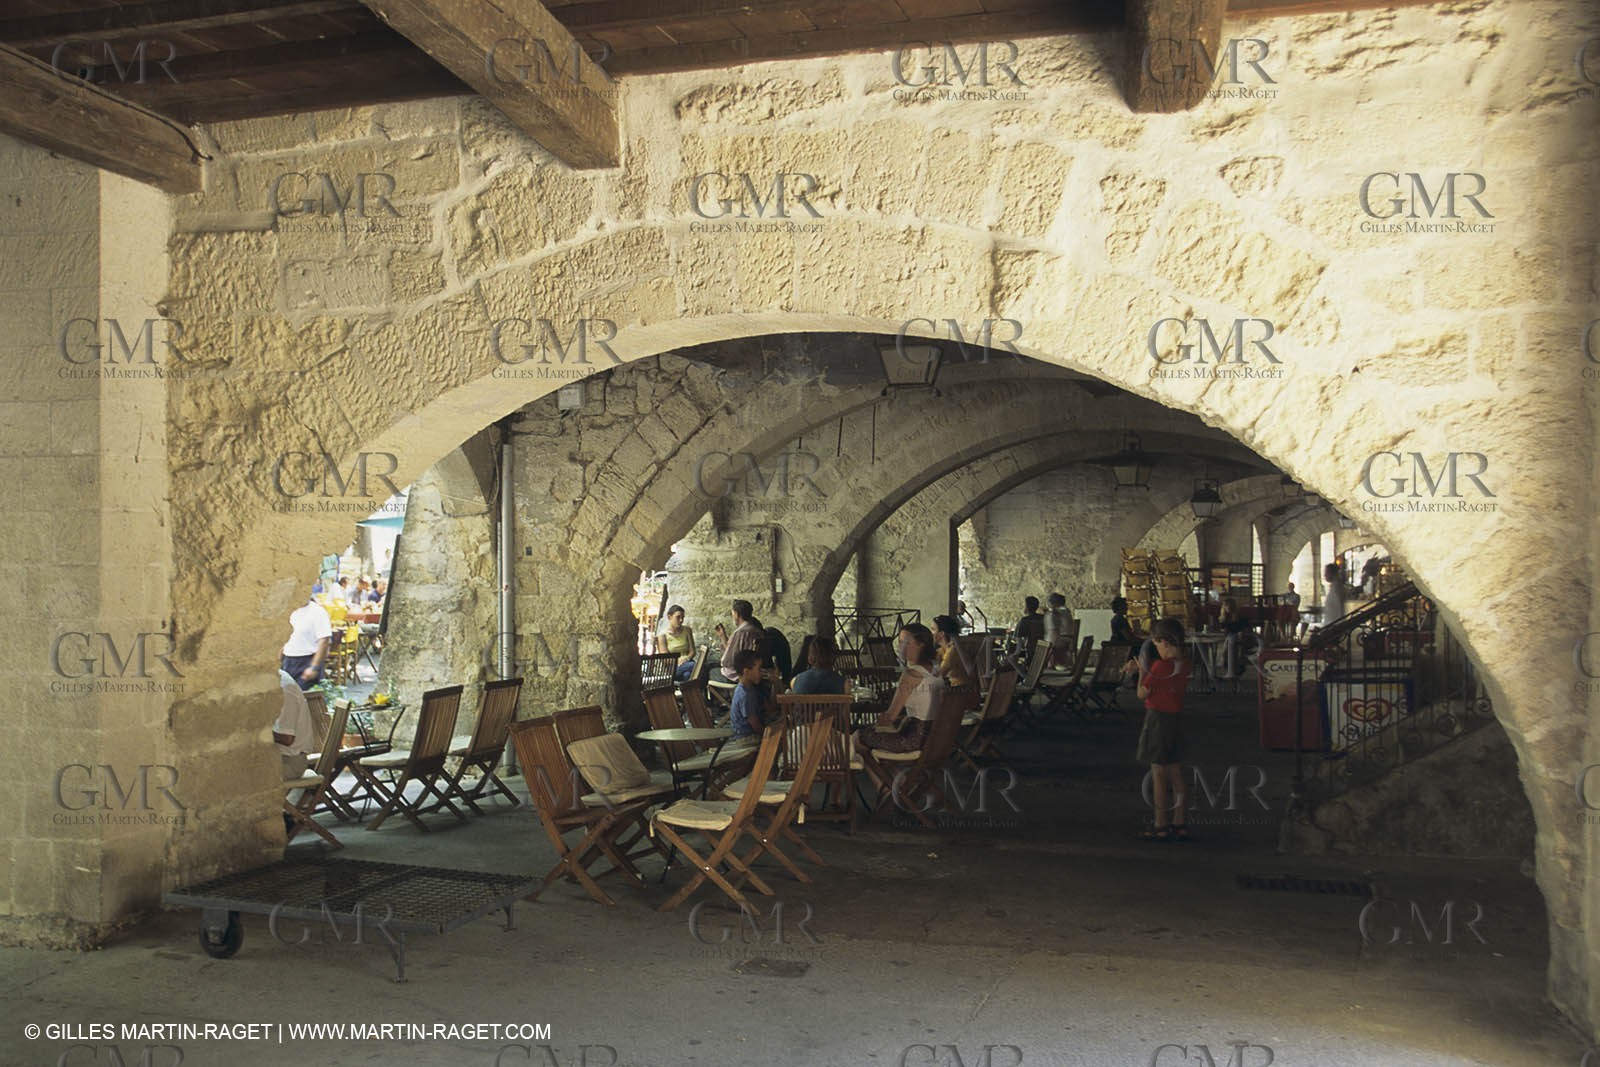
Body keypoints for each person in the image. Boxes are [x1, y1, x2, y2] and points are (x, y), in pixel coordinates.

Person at [1134, 617, 1193, 843]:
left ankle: (1161, 823)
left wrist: (1140, 671)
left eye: (1157, 644)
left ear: (1165, 642)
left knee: (1158, 774)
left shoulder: (1160, 666)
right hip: (1176, 720)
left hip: (1158, 720)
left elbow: (1142, 693)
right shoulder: (1184, 663)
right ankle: (1180, 822)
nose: (1157, 648)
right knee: (1176, 773)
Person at [856, 623, 943, 754]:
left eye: (906, 643)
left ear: (921, 644)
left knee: (859, 736)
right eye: (900, 642)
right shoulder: (937, 669)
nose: (900, 647)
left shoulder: (911, 674)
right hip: (934, 739)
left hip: (912, 740)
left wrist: (877, 722)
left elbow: (890, 716)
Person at [275, 668, 321, 780]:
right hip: (277, 757)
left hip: (289, 762)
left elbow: (287, 738)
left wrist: (255, 734)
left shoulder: (284, 688)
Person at [280, 592, 332, 690]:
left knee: (305, 699)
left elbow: (324, 641)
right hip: (288, 660)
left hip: (307, 661)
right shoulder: (288, 610)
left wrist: (314, 667)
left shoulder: (318, 612)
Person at [715, 599, 765, 681]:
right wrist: (723, 636)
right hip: (751, 670)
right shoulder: (755, 630)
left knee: (709, 669)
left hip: (737, 674)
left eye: (733, 614)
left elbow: (727, 661)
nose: (733, 616)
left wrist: (722, 661)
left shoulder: (740, 633)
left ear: (737, 614)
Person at [727, 649, 768, 741]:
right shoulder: (744, 695)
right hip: (746, 738)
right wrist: (768, 736)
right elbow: (755, 724)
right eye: (759, 669)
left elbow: (770, 708)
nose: (761, 673)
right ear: (746, 672)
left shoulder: (750, 688)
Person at [656, 604, 697, 682]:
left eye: (682, 617)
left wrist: (686, 659)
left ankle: (686, 693)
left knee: (687, 675)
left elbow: (693, 651)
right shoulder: (663, 635)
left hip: (687, 662)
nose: (681, 620)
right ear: (669, 617)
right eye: (678, 617)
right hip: (673, 667)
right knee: (695, 666)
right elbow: (665, 658)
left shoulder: (687, 630)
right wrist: (679, 661)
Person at [1043, 593, 1074, 667]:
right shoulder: (1067, 612)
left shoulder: (1052, 614)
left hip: (1057, 642)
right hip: (1067, 639)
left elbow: (1054, 631)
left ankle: (1047, 664)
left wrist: (1051, 644)